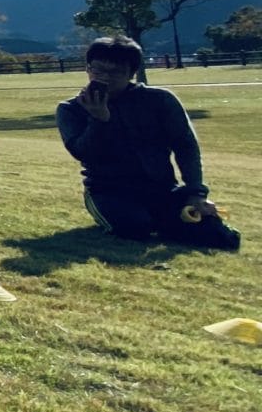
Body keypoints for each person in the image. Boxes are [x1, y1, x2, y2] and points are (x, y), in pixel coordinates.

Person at [57, 36, 239, 251]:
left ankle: (170, 220)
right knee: (136, 228)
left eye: (115, 72)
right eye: (97, 70)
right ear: (87, 69)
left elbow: (186, 146)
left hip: (162, 188)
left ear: (131, 73)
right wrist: (99, 119)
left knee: (218, 237)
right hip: (107, 191)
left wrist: (196, 193)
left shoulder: (159, 100)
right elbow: (83, 153)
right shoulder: (71, 109)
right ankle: (154, 220)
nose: (105, 78)